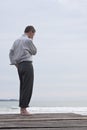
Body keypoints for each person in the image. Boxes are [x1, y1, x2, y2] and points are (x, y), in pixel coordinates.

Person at [9, 25, 37, 115]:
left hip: (19, 66)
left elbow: (11, 52)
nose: (33, 36)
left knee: (22, 87)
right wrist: (31, 41)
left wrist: (15, 63)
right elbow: (34, 51)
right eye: (33, 34)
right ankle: (24, 109)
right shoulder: (28, 40)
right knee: (27, 87)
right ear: (30, 32)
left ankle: (22, 109)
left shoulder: (16, 41)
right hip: (27, 64)